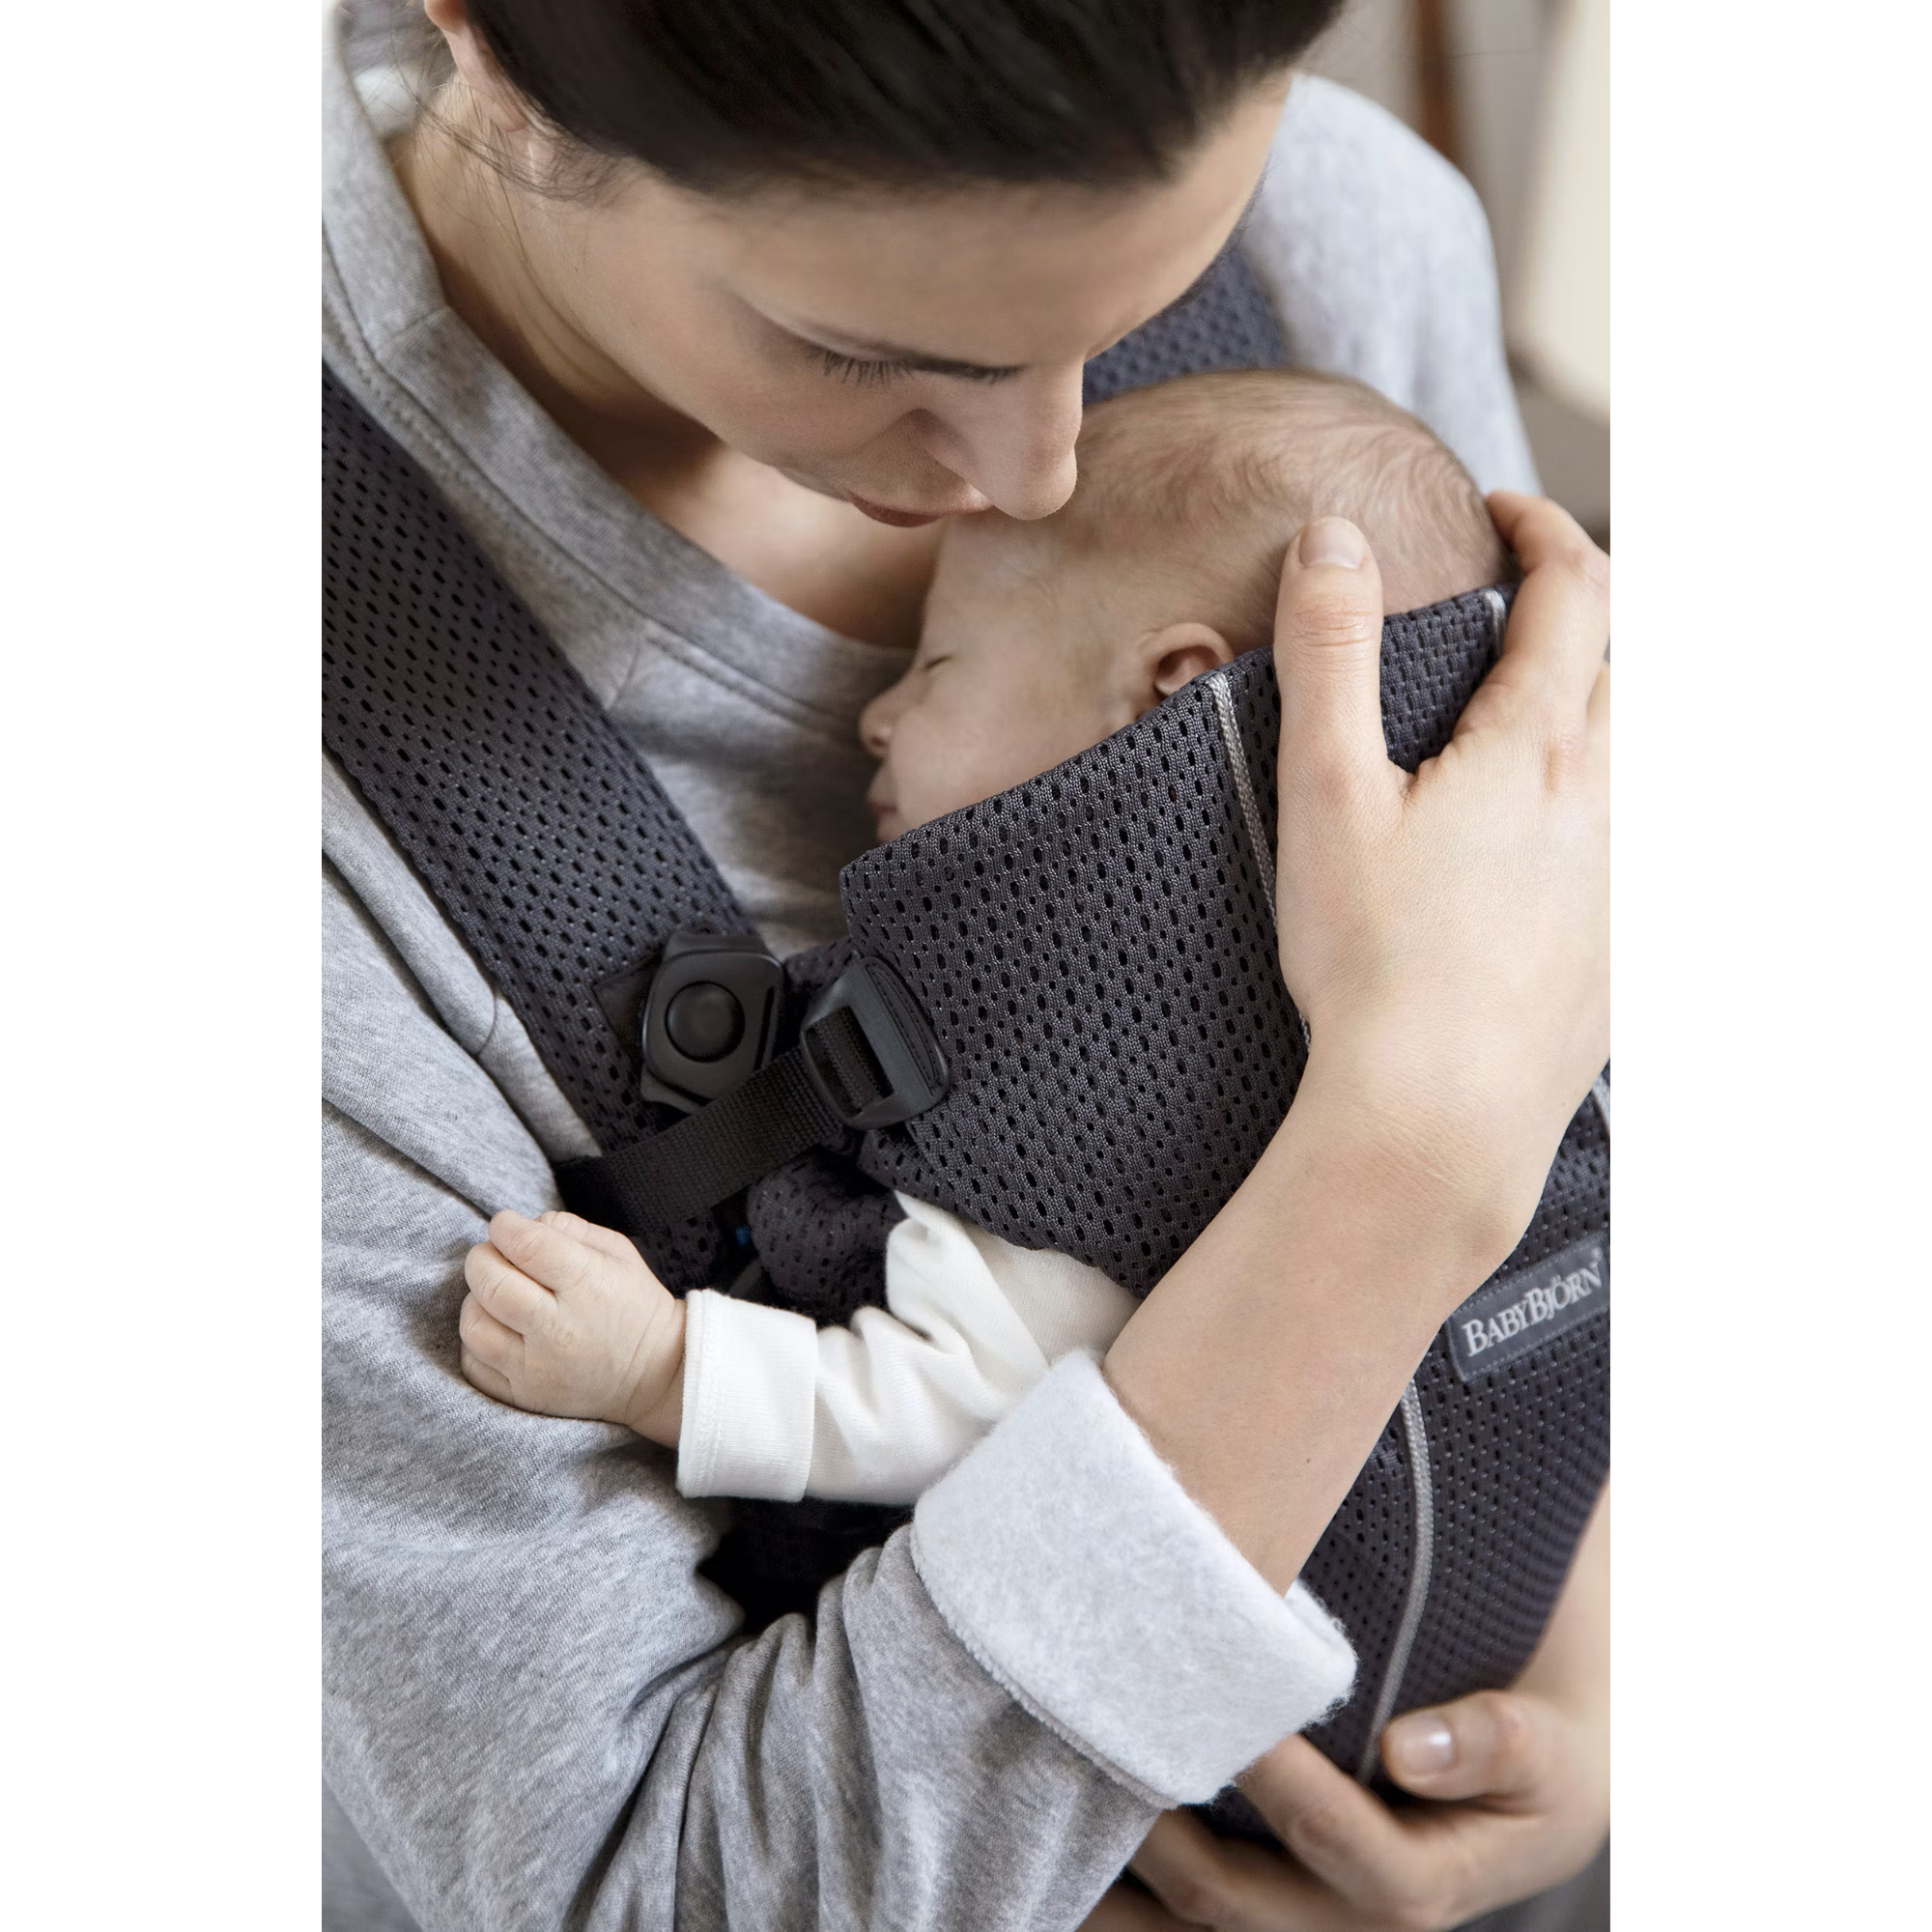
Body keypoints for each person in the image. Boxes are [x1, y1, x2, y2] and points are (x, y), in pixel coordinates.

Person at [321, 4, 1610, 1928]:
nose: (1034, 467)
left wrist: (1596, 1666)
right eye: (866, 352)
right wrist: (1397, 1172)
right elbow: (660, 1888)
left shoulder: (1340, 248)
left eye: (1135, 294)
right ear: (487, 49)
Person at [451, 366, 1516, 1518]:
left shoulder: (1092, 1078)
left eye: (937, 665)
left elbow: (959, 1404)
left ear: (1169, 695)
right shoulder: (1479, 951)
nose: (876, 715)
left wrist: (664, 1367)